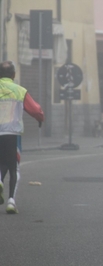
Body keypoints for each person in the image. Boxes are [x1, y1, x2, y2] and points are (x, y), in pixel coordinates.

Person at [0, 61, 44, 214]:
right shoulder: (20, 91)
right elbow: (35, 110)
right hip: (13, 134)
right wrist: (40, 119)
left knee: (1, 162)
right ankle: (11, 201)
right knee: (13, 167)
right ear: (14, 75)